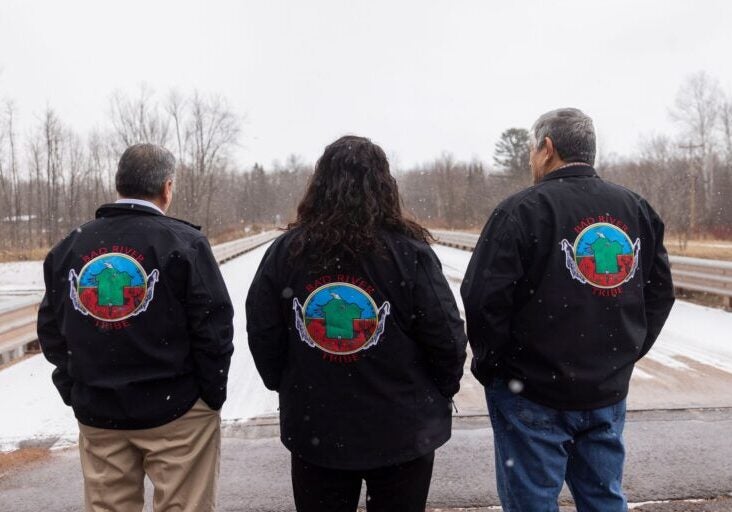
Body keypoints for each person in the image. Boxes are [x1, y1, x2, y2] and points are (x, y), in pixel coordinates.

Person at [461, 108, 675, 511]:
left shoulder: (520, 210)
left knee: (533, 503)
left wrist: (496, 367)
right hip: (605, 391)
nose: (530, 159)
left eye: (532, 149)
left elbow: (483, 298)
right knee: (604, 499)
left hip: (531, 390)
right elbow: (660, 294)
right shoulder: (634, 209)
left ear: (547, 148)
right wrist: (623, 354)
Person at [246, 135, 467, 512]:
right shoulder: (409, 253)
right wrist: (438, 392)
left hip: (318, 426)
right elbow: (446, 336)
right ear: (384, 186)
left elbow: (263, 330)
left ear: (319, 186)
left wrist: (289, 385)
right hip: (401, 428)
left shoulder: (287, 252)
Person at [37, 143, 234, 512]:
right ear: (167, 187)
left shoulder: (70, 247)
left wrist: (76, 387)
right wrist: (209, 396)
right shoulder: (184, 242)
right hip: (176, 410)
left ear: (119, 184)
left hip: (99, 411)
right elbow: (214, 327)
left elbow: (51, 330)